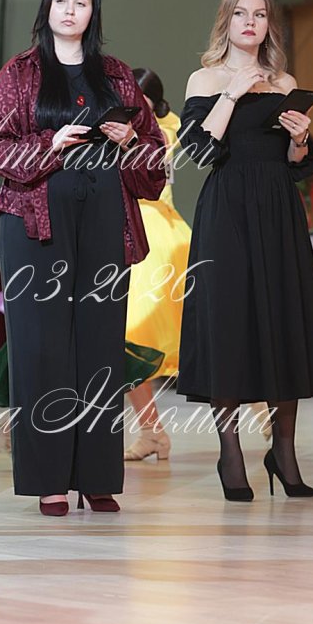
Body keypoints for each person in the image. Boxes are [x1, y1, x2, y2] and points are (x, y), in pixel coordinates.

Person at [0, 0, 165, 516]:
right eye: (61, 0)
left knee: (100, 344)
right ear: (48, 8)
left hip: (105, 219)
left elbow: (155, 160)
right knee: (41, 348)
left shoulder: (117, 75)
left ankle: (97, 475)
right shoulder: (19, 73)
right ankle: (49, 479)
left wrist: (130, 140)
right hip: (36, 223)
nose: (69, 10)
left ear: (92, 13)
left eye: (81, 3)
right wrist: (50, 142)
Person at [176, 0, 313, 501]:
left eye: (261, 14)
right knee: (229, 325)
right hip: (226, 212)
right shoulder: (205, 78)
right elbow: (199, 152)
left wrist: (299, 138)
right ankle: (230, 454)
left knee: (283, 322)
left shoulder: (284, 81)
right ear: (226, 21)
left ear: (270, 25)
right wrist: (232, 93)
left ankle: (283, 453)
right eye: (241, 13)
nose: (251, 22)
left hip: (277, 211)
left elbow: (297, 167)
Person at [124, 69, 192, 461]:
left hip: (154, 239)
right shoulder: (137, 127)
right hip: (142, 234)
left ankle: (260, 407)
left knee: (140, 338)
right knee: (131, 342)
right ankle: (152, 432)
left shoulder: (160, 131)